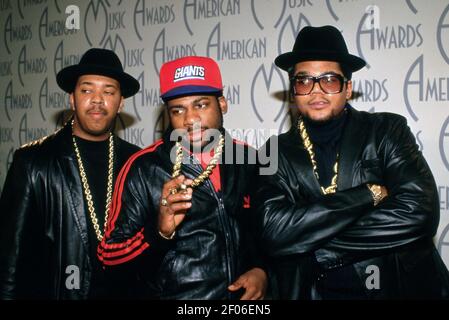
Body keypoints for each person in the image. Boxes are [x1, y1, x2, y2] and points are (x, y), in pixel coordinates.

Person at [255, 25, 449, 299]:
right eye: (304, 81)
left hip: (397, 288)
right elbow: (272, 231)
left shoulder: (386, 130)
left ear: (348, 88)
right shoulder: (272, 151)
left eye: (330, 80)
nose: (316, 91)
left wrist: (318, 246)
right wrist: (367, 195)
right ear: (293, 91)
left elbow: (420, 211)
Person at [98, 56, 267, 299]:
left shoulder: (247, 159)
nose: (189, 119)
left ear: (222, 104)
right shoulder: (144, 167)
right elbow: (109, 257)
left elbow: (266, 233)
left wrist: (262, 270)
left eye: (200, 105)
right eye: (178, 110)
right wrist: (158, 232)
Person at [0, 48, 141, 299]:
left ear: (120, 103)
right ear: (72, 99)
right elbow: (9, 258)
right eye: (87, 90)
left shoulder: (138, 162)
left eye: (108, 92)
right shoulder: (33, 162)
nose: (97, 99)